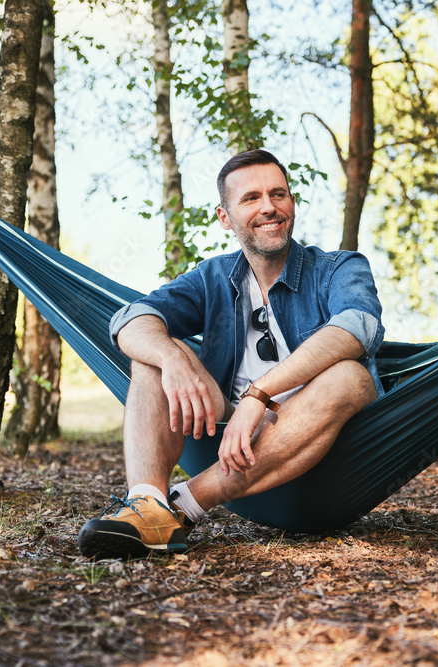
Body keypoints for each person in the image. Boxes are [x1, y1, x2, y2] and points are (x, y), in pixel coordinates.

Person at [77, 149, 385, 560]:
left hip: (329, 441)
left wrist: (259, 396)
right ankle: (148, 505)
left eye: (279, 194)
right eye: (251, 198)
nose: (269, 208)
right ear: (225, 217)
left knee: (348, 376)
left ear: (292, 203)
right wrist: (173, 359)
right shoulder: (214, 277)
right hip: (226, 432)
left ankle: (184, 504)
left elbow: (357, 328)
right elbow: (131, 319)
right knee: (154, 352)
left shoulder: (338, 268)